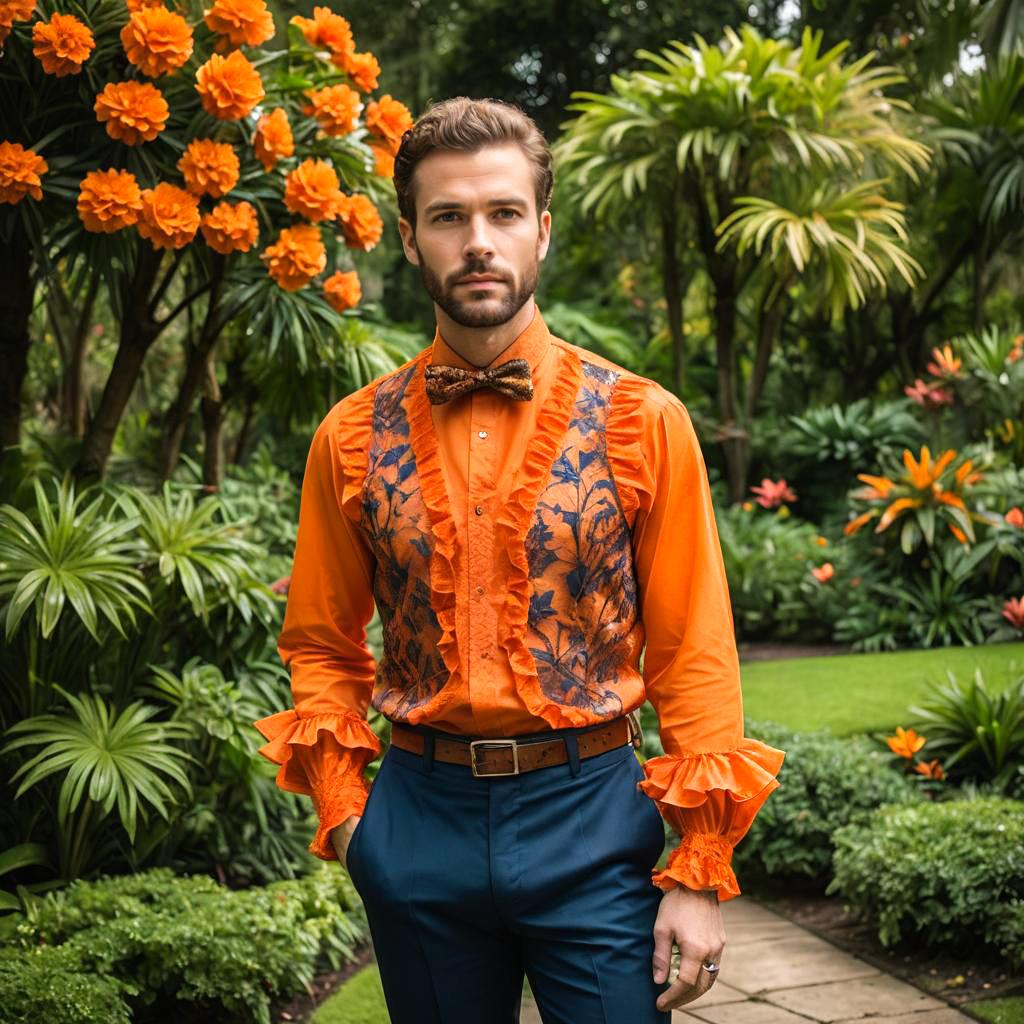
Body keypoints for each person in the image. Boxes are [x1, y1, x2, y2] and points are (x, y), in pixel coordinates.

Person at [253, 96, 785, 1024]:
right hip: (418, 822)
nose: (478, 242)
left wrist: (700, 869)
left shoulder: (642, 421)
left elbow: (693, 653)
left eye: (502, 213)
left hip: (592, 817)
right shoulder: (348, 436)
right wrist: (349, 820)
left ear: (541, 229)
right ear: (411, 240)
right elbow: (321, 643)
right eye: (448, 217)